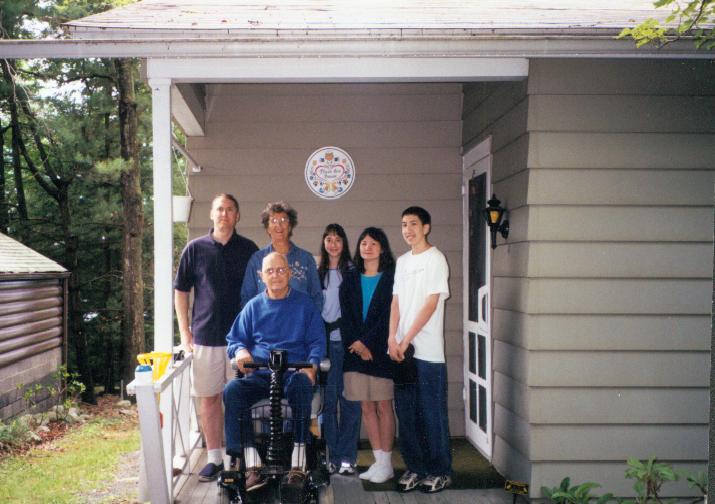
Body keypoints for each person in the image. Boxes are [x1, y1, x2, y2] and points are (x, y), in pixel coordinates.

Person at [224, 252, 326, 495]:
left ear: (289, 273)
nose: (276, 275)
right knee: (233, 391)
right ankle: (251, 463)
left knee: (302, 385)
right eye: (270, 271)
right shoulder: (253, 306)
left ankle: (298, 463)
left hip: (294, 371)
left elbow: (316, 342)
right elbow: (235, 339)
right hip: (261, 372)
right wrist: (239, 351)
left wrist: (311, 365)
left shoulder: (305, 305)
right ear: (261, 276)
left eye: (281, 270)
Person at [174, 193, 259, 482]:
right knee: (209, 400)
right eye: (219, 209)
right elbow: (181, 293)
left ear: (237, 216)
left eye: (230, 209)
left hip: (242, 342)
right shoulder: (194, 249)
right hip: (206, 338)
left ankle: (239, 457)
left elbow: (261, 296)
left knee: (239, 400)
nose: (224, 214)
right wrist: (185, 332)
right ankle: (214, 459)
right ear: (212, 214)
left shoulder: (249, 250)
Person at [388, 206, 452, 493]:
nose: (408, 230)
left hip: (427, 353)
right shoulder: (402, 262)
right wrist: (392, 338)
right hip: (401, 353)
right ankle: (415, 468)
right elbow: (396, 302)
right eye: (403, 224)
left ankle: (440, 471)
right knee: (407, 415)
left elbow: (430, 304)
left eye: (413, 224)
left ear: (426, 227)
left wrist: (406, 339)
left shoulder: (436, 259)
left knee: (431, 414)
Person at [340, 227, 396, 484]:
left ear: (382, 248)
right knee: (366, 407)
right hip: (354, 353)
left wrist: (367, 343)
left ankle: (387, 463)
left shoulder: (391, 278)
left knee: (384, 406)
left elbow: (389, 318)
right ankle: (378, 461)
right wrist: (356, 343)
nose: (368, 247)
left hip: (380, 352)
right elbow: (346, 316)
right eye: (364, 243)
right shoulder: (349, 278)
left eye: (373, 243)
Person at [317, 223, 361, 476]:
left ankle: (348, 457)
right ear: (324, 243)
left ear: (344, 243)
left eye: (337, 239)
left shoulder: (352, 271)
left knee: (350, 400)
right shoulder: (318, 272)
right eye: (329, 239)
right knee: (329, 400)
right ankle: (331, 456)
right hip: (326, 345)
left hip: (348, 344)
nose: (333, 244)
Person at [240, 201, 322, 311]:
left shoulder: (305, 259)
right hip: (266, 325)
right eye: (273, 221)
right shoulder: (257, 260)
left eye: (283, 220)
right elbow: (247, 297)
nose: (279, 225)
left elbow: (317, 297)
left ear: (290, 226)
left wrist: (309, 323)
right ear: (267, 228)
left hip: (299, 325)